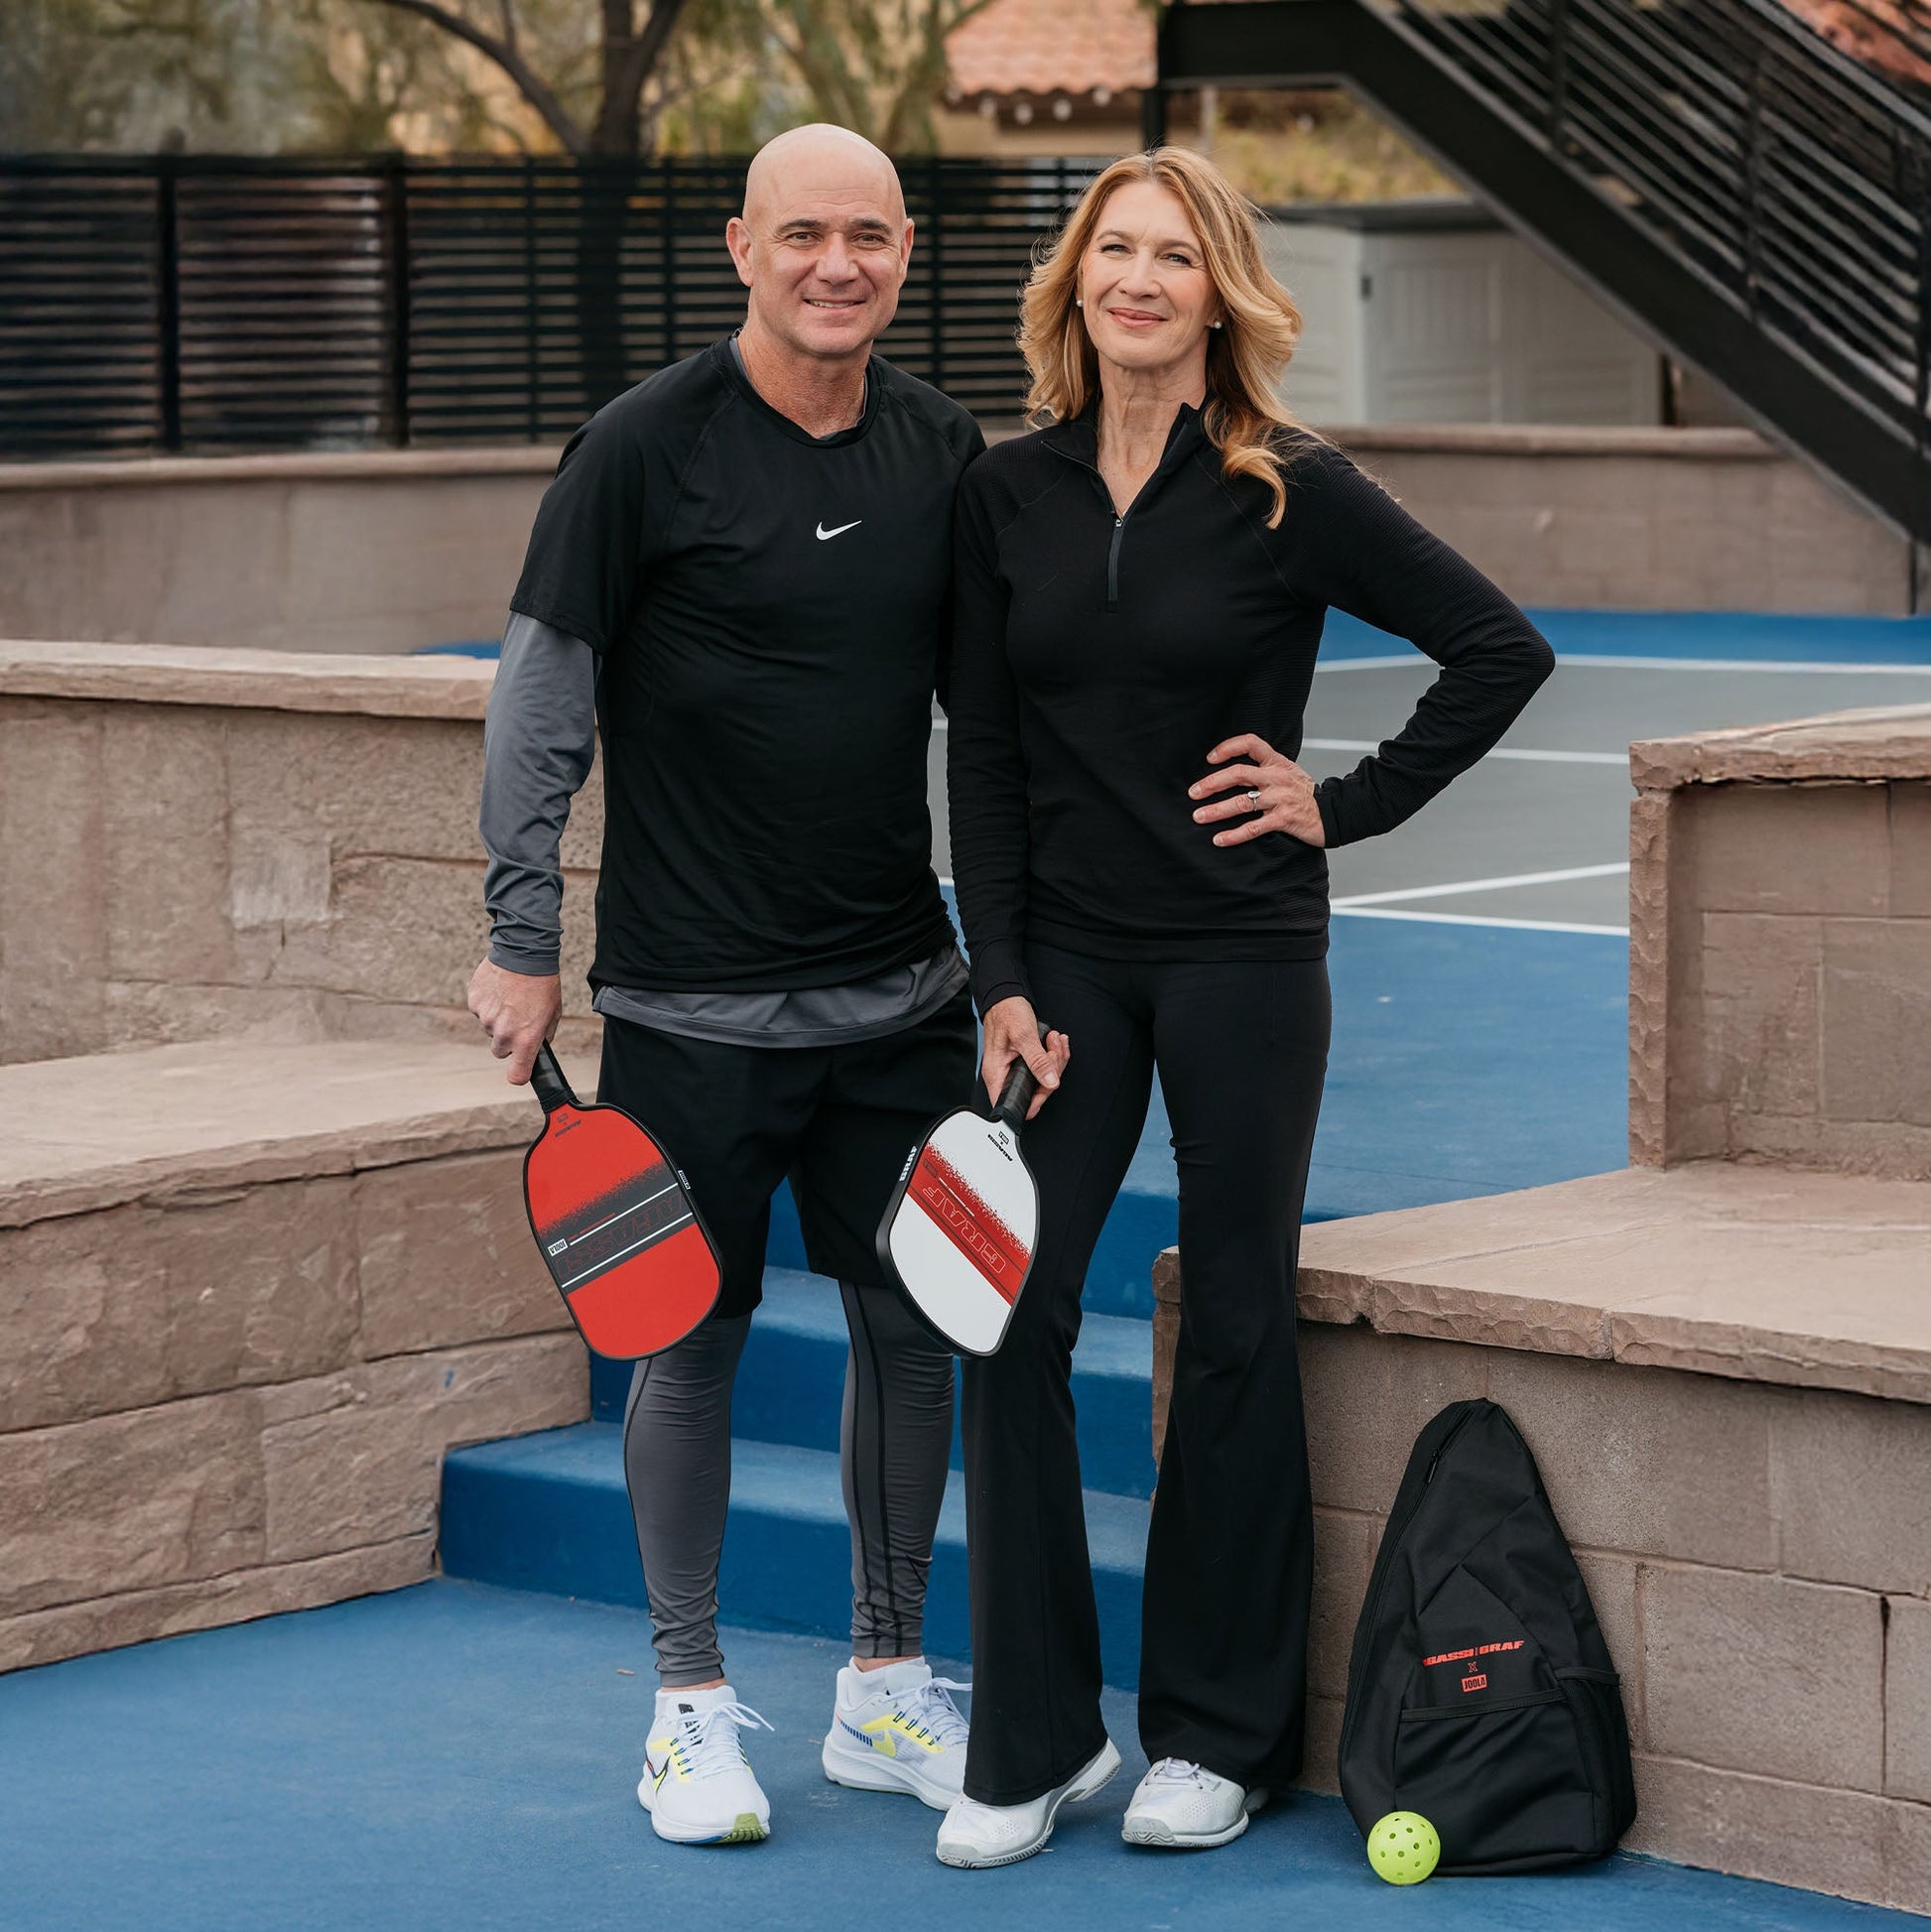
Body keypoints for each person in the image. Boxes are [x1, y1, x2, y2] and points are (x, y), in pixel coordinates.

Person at [936, 147, 1556, 1868]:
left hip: (1241, 960)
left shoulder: (1288, 485)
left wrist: (1334, 804)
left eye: (1173, 254)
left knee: (1230, 1324)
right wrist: (995, 980)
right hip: (1061, 968)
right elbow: (981, 759)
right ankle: (1035, 1740)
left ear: (1219, 289)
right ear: (1075, 282)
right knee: (1008, 1316)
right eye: (1111, 251)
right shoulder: (1009, 494)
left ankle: (1211, 1735)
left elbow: (1497, 649)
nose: (1137, 279)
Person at [466, 123, 983, 1849]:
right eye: (805, 235)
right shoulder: (639, 449)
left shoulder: (938, 448)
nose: (840, 264)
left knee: (917, 1334)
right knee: (685, 1344)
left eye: (872, 236)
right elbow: (540, 700)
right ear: (740, 248)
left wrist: (1007, 966)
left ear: (906, 252)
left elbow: (987, 727)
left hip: (899, 996)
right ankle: (687, 1709)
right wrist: (519, 934)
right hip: (689, 1008)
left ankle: (883, 1685)